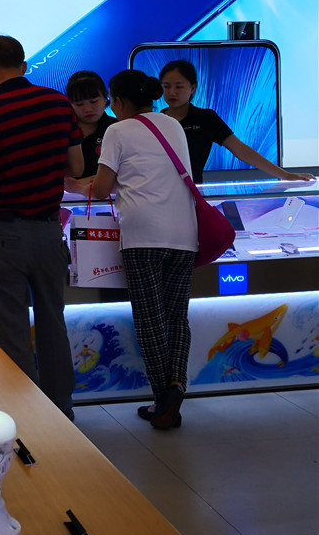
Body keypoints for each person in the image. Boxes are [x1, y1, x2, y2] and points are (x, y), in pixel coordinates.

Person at [0, 35, 83, 419]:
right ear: (24, 65)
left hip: (4, 233)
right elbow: (77, 167)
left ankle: (26, 417)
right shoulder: (59, 104)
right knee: (53, 321)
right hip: (49, 230)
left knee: (12, 329)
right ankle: (61, 410)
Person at [90, 69, 198, 430]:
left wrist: (76, 184)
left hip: (142, 235)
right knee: (176, 316)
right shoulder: (173, 125)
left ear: (119, 102)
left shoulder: (117, 131)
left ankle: (162, 400)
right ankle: (176, 387)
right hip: (184, 233)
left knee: (151, 320)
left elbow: (101, 189)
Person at [158, 59, 315, 185]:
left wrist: (285, 175)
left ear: (193, 88)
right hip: (156, 195)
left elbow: (242, 151)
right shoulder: (154, 121)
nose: (172, 92)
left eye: (179, 86)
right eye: (166, 86)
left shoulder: (206, 118)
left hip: (191, 195)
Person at [65, 70, 117, 180]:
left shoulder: (117, 128)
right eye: (79, 104)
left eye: (94, 101)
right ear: (70, 104)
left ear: (105, 97)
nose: (88, 109)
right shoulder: (63, 130)